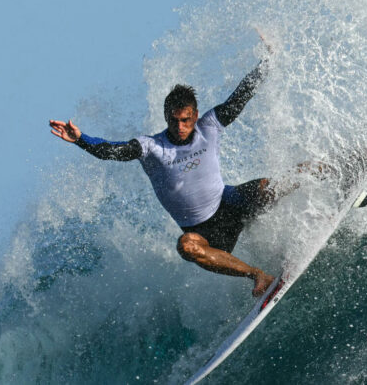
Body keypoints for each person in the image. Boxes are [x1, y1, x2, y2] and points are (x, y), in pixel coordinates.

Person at [49, 42, 287, 297]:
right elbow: (112, 150)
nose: (180, 126)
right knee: (187, 247)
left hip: (230, 203)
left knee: (269, 186)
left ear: (195, 115)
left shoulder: (209, 126)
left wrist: (267, 63)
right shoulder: (151, 147)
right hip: (204, 233)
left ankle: (325, 174)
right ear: (166, 117)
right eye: (174, 121)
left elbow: (240, 97)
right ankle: (257, 274)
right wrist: (81, 139)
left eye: (186, 120)